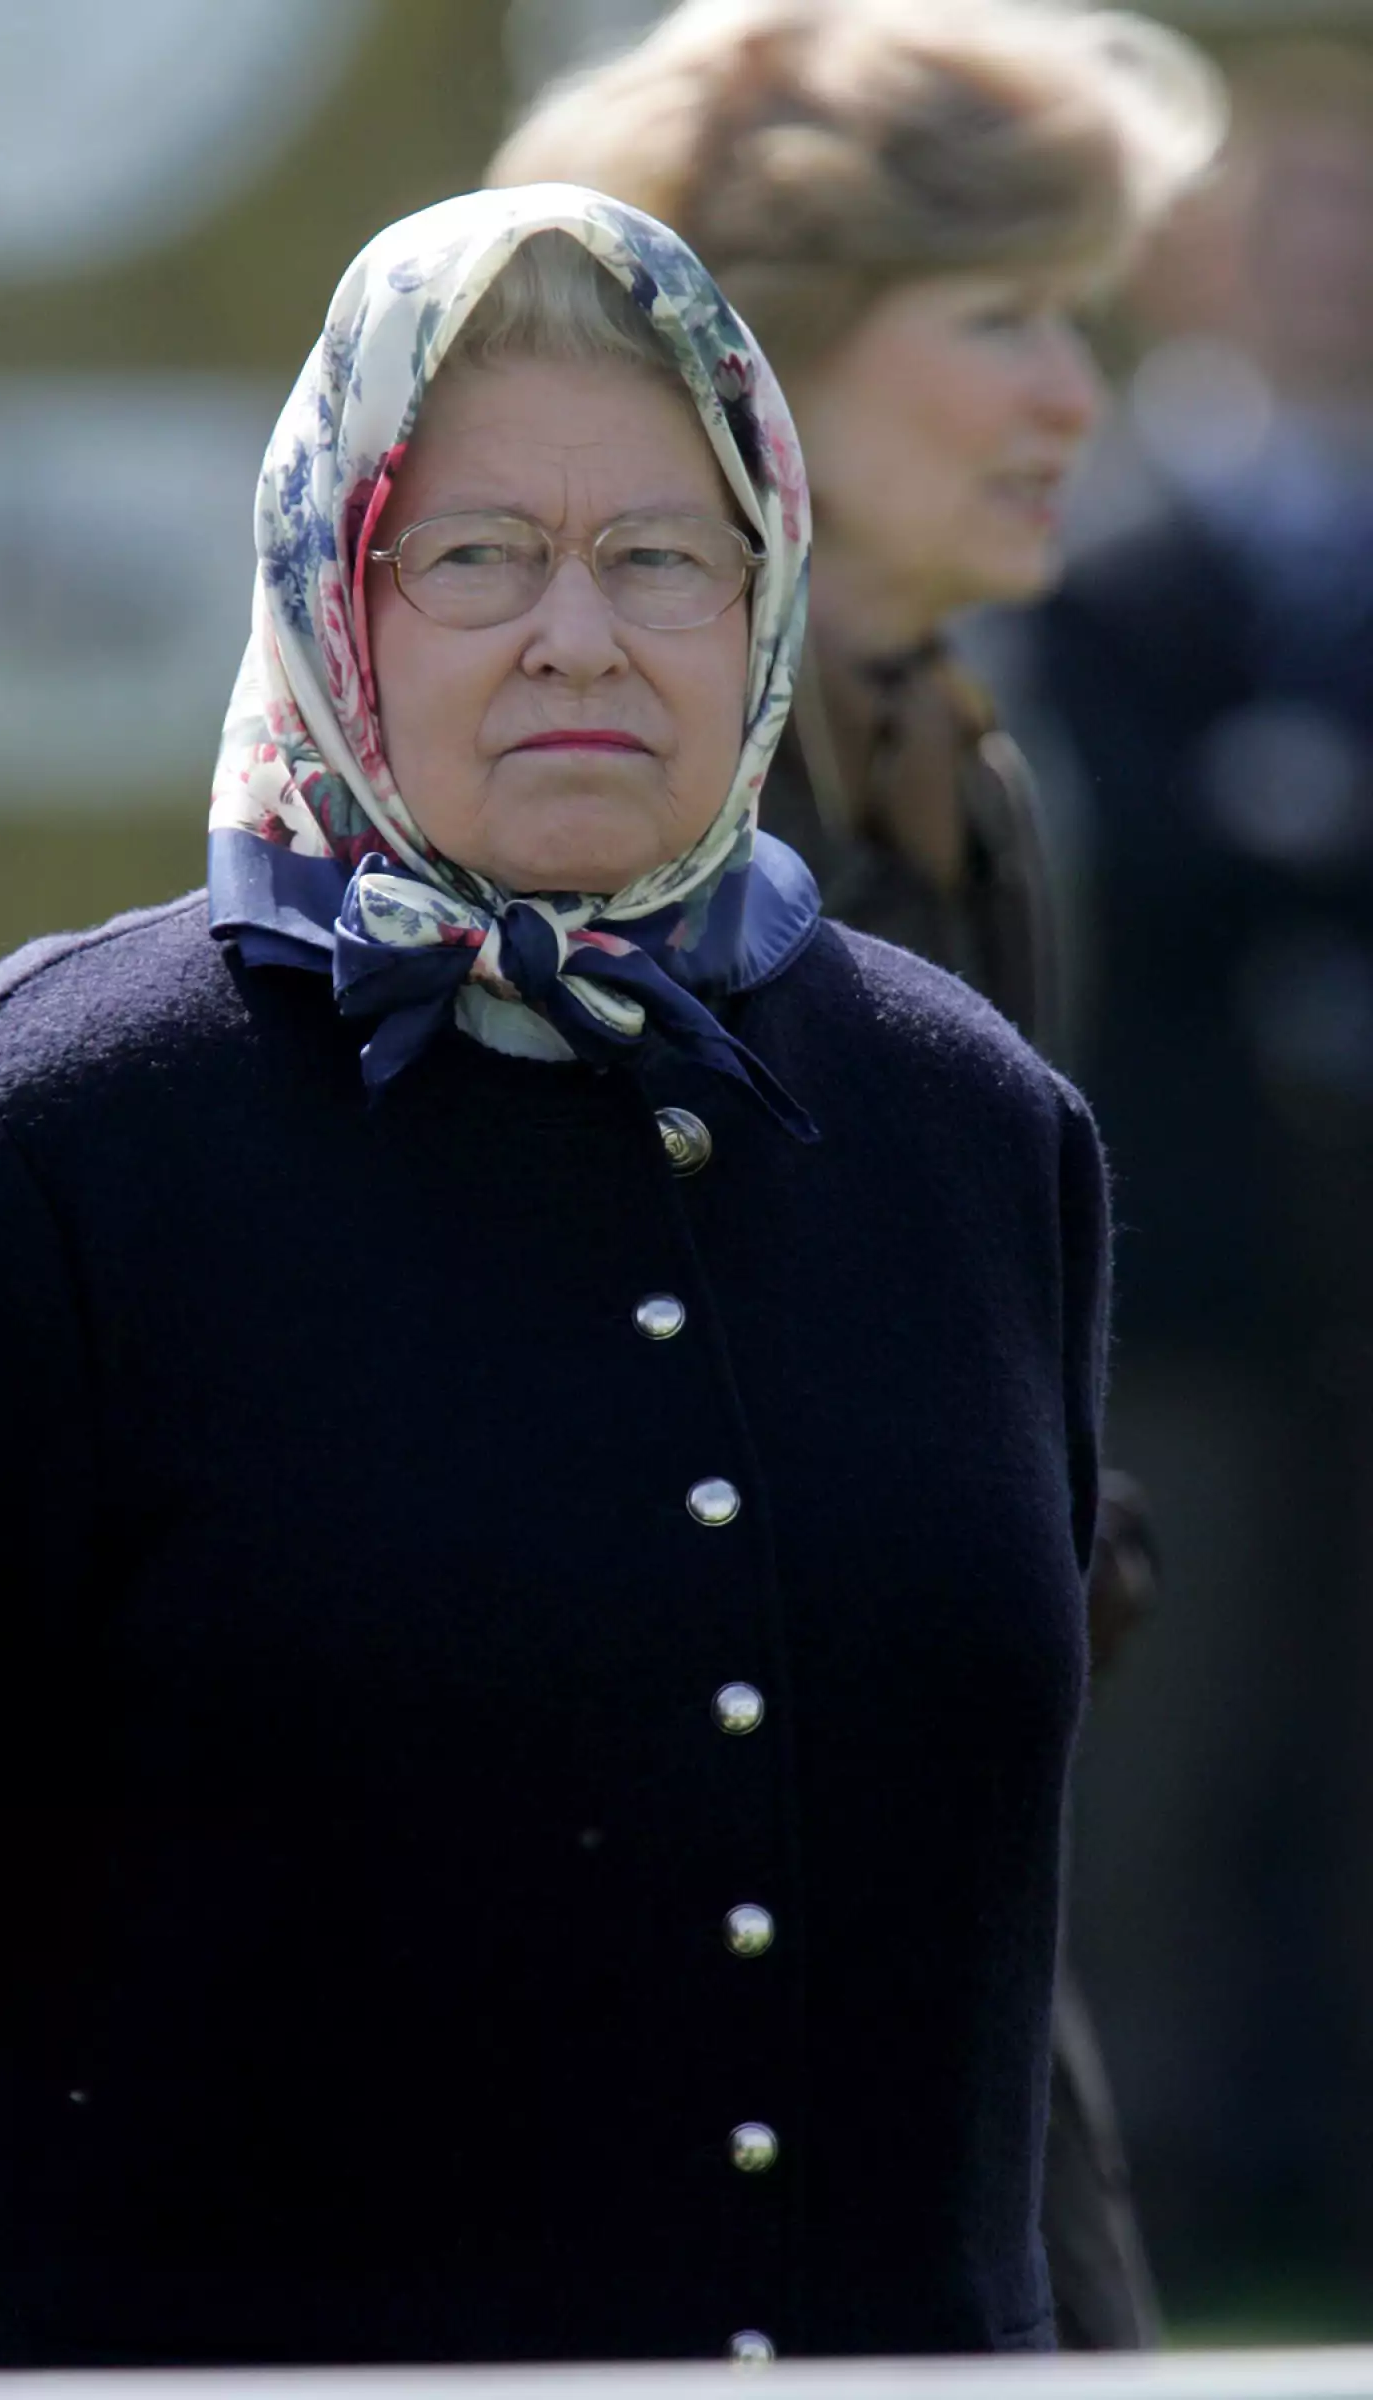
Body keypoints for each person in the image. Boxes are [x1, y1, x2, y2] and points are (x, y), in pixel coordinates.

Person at [0, 184, 1107, 2370]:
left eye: (660, 555)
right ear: (333, 585)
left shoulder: (966, 1123)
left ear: (763, 592)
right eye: (475, 555)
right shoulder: (65, 1130)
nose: (576, 635)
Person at [488, 0, 1223, 2348]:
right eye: (1003, 312)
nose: (1071, 397)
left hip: (933, 1930)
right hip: (648, 1977)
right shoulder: (583, 812)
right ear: (768, 359)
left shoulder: (960, 766)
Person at [1008, 42, 1373, 2277]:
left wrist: (1280, 816)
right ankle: (1170, 2191)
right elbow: (1124, 858)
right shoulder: (1105, 552)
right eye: (1298, 227)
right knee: (1166, 1737)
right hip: (1212, 1263)